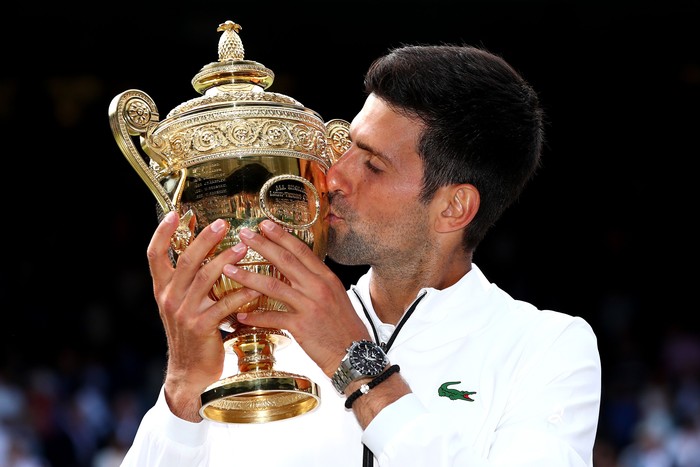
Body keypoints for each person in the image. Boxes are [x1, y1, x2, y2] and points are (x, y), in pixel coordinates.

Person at [120, 43, 602, 466]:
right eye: (346, 146)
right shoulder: (258, 341)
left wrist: (354, 362)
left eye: (372, 165)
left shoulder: (546, 347)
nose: (333, 177)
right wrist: (183, 387)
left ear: (454, 207)